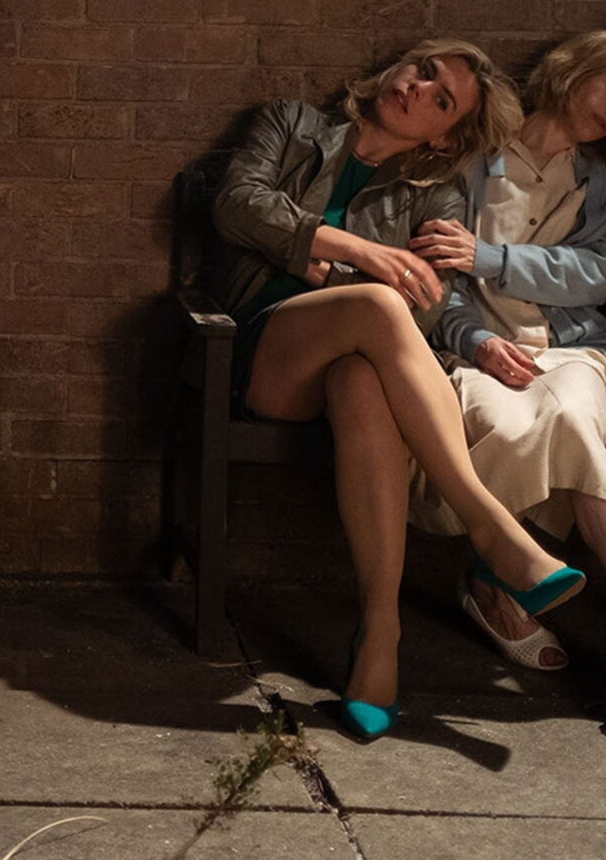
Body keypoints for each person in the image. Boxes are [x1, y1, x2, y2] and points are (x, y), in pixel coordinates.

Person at [213, 39, 584, 741]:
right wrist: (357, 252)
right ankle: (488, 523)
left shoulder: (434, 197)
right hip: (255, 351)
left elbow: (425, 310)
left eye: (441, 99)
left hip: (345, 370)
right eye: (423, 70)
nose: (417, 88)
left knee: (362, 377)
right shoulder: (292, 125)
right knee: (378, 303)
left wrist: (329, 269)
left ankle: (378, 638)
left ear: (444, 135)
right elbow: (237, 204)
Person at [411, 31, 606, 730]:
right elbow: (436, 270)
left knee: (571, 417)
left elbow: (598, 274)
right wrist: (475, 340)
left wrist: (491, 257)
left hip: (573, 349)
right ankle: (494, 586)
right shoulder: (474, 156)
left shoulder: (600, 179)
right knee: (504, 428)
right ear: (573, 69)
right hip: (477, 351)